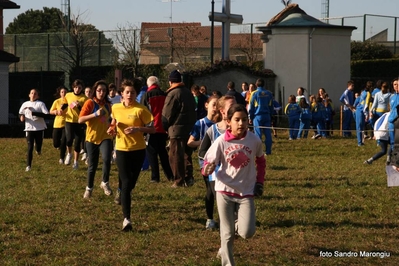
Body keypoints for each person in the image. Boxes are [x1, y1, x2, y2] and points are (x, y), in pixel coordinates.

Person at [202, 104, 265, 266]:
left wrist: (259, 182)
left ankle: (229, 233)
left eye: (244, 120)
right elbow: (208, 163)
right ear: (229, 122)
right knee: (227, 234)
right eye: (237, 120)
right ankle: (228, 262)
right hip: (224, 191)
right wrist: (207, 168)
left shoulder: (254, 140)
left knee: (247, 231)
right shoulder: (221, 141)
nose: (241, 123)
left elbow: (261, 161)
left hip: (246, 192)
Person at [107, 78, 155, 231]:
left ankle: (121, 191)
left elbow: (153, 129)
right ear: (122, 94)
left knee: (131, 183)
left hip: (138, 150)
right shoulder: (115, 107)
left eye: (133, 92)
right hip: (121, 149)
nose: (130, 95)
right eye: (127, 92)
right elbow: (114, 122)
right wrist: (112, 129)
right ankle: (126, 219)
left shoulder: (141, 110)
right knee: (127, 183)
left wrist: (138, 129)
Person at [199, 95, 236, 230]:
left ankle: (233, 222)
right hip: (215, 173)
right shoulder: (212, 130)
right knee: (213, 194)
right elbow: (201, 152)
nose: (235, 108)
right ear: (222, 111)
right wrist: (211, 163)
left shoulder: (239, 130)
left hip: (235, 172)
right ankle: (211, 219)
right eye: (231, 106)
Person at [188, 95, 220, 229]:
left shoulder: (223, 124)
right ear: (206, 105)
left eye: (218, 106)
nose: (216, 108)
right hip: (206, 163)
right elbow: (190, 142)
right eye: (214, 105)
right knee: (211, 190)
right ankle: (210, 219)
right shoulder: (200, 124)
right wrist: (204, 143)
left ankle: (227, 217)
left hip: (221, 162)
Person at [78, 80, 113, 199]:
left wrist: (112, 127)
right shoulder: (90, 103)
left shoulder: (108, 105)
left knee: (107, 159)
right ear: (95, 91)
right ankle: (89, 188)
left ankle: (105, 182)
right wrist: (95, 114)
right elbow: (80, 120)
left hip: (105, 137)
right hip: (91, 138)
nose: (101, 93)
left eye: (104, 90)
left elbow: (109, 120)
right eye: (99, 90)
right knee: (92, 165)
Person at [162, 70, 197, 188]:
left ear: (170, 81)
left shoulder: (173, 94)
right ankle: (189, 177)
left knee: (175, 155)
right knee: (187, 154)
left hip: (176, 130)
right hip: (189, 128)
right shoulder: (188, 92)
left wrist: (165, 126)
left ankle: (178, 180)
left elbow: (167, 114)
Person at [141, 76, 174, 183]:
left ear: (148, 84)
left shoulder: (147, 95)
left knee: (152, 153)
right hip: (163, 128)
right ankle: (170, 175)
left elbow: (142, 111)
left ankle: (155, 177)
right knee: (163, 153)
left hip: (151, 127)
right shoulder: (165, 94)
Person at [18, 88, 50, 171]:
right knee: (29, 147)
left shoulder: (40, 104)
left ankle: (38, 149)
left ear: (38, 96)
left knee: (38, 145)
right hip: (29, 128)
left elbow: (46, 115)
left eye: (35, 93)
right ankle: (28, 166)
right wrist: (21, 117)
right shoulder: (25, 104)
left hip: (39, 128)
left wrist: (34, 113)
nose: (33, 95)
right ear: (29, 95)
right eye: (31, 93)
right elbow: (21, 113)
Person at [64, 79, 88, 169]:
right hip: (69, 120)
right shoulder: (68, 95)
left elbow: (85, 110)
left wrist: (79, 106)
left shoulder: (84, 98)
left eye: (79, 88)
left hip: (79, 122)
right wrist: (60, 110)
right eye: (75, 87)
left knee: (77, 143)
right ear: (73, 87)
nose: (77, 89)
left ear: (82, 88)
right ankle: (69, 154)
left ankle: (75, 162)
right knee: (69, 139)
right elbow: (66, 105)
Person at [248, 78, 274, 154]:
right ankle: (268, 151)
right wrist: (271, 115)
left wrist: (250, 117)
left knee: (258, 134)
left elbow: (251, 106)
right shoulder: (269, 93)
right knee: (268, 134)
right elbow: (271, 106)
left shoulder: (254, 93)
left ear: (256, 85)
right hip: (267, 115)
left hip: (257, 116)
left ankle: (258, 151)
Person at [49, 86, 68, 164]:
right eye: (62, 92)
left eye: (65, 92)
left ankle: (62, 158)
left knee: (64, 141)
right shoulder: (56, 101)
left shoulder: (69, 101)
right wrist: (56, 112)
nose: (64, 93)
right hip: (57, 124)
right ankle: (58, 147)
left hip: (66, 124)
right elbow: (51, 111)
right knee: (56, 143)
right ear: (60, 93)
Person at [355, 81, 372, 146]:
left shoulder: (363, 92)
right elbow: (366, 105)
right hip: (361, 110)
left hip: (358, 109)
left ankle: (361, 141)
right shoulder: (368, 93)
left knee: (360, 126)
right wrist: (366, 114)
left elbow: (359, 100)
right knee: (360, 126)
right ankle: (359, 142)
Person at [388, 78, 399, 156]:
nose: (396, 86)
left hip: (398, 121)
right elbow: (390, 109)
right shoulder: (392, 97)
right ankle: (393, 158)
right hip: (391, 121)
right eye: (395, 84)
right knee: (392, 141)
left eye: (398, 84)